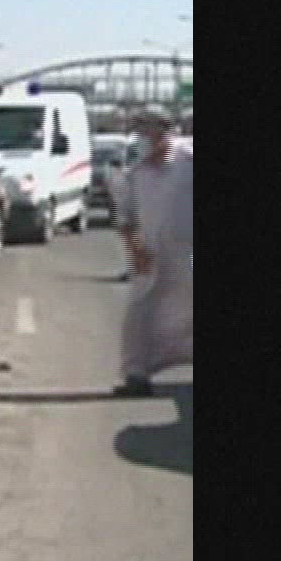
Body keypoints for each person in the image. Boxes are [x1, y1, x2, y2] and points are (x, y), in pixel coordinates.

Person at [113, 107, 193, 397]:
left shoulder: (188, 160)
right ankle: (136, 375)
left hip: (190, 252)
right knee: (141, 311)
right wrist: (135, 248)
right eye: (140, 133)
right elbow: (125, 217)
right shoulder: (135, 171)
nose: (144, 139)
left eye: (148, 132)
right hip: (151, 255)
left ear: (164, 133)